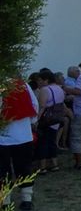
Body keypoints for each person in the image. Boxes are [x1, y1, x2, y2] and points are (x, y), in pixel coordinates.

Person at [0, 78, 39, 211]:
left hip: (3, 137)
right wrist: (30, 121)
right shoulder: (22, 84)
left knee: (3, 171)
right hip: (23, 134)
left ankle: (5, 201)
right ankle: (26, 199)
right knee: (24, 168)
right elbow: (34, 105)